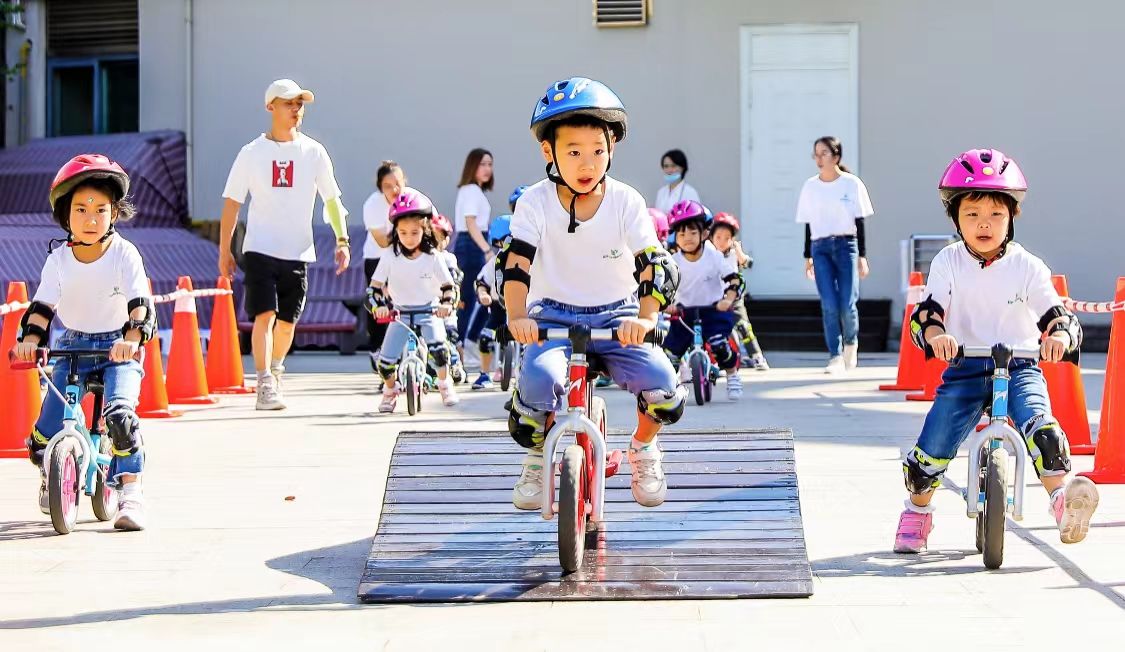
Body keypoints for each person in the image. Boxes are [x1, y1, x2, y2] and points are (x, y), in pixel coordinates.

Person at [893, 148, 1098, 554]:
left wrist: (1058, 336)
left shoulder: (1028, 266)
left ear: (1013, 217)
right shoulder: (948, 261)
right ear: (956, 219)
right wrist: (936, 336)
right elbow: (929, 312)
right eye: (972, 215)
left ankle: (1064, 503)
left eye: (995, 215)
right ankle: (917, 512)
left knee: (1045, 431)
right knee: (929, 452)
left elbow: (1055, 311)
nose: (984, 224)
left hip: (1020, 366)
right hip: (966, 366)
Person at [503, 76, 685, 510]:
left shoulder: (626, 201)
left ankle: (643, 448)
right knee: (537, 386)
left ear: (612, 149)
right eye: (573, 152)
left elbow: (653, 264)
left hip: (618, 316)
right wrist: (517, 315)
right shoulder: (534, 201)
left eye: (598, 151)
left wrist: (645, 319)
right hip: (552, 317)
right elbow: (515, 263)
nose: (587, 162)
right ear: (548, 153)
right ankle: (536, 453)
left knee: (664, 390)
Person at [11, 154, 157, 531]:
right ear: (65, 215)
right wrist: (30, 339)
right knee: (43, 433)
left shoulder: (125, 253)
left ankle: (130, 493)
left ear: (114, 214)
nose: (91, 219)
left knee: (121, 416)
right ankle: (53, 471)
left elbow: (140, 304)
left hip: (117, 348)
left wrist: (131, 337)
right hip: (73, 345)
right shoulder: (59, 259)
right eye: (81, 209)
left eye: (100, 209)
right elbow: (43, 306)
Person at [218, 79, 351, 410]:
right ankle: (263, 382)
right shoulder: (251, 154)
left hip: (298, 251)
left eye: (299, 104)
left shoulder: (314, 152)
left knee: (288, 323)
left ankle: (276, 369)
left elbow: (331, 199)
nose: (295, 109)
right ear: (270, 107)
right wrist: (225, 250)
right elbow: (232, 203)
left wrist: (342, 238)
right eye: (288, 103)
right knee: (265, 315)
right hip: (260, 248)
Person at [366, 191, 459, 411]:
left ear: (425, 229)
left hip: (429, 311)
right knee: (386, 363)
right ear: (395, 232)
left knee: (439, 351)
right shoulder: (390, 256)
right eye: (403, 232)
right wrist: (378, 307)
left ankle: (445, 384)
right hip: (400, 314)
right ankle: (390, 391)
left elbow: (449, 287)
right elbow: (374, 288)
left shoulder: (433, 256)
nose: (409, 238)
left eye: (415, 232)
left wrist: (446, 305)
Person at [795, 136, 873, 374]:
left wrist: (862, 255)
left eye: (824, 153)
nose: (819, 159)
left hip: (846, 245)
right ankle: (835, 355)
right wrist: (807, 255)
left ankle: (851, 343)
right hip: (820, 248)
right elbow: (808, 223)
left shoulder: (852, 184)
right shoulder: (810, 186)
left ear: (836, 156)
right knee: (829, 304)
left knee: (847, 304)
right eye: (815, 154)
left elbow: (859, 221)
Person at [661, 201, 744, 400]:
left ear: (704, 234)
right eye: (681, 234)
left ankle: (732, 375)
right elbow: (664, 288)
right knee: (669, 354)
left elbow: (734, 279)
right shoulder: (675, 261)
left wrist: (728, 299)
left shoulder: (713, 256)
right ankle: (667, 388)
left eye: (692, 232)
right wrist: (667, 305)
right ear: (675, 238)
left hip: (713, 310)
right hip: (684, 312)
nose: (687, 238)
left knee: (719, 345)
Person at [361, 160, 413, 373]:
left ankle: (405, 354)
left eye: (398, 183)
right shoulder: (372, 205)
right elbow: (382, 241)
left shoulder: (411, 199)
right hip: (377, 259)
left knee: (405, 303)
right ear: (380, 187)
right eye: (388, 185)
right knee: (379, 304)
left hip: (403, 258)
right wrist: (404, 230)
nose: (394, 189)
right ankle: (377, 348)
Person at [709, 211, 769, 370]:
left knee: (743, 327)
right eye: (718, 237)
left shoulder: (734, 254)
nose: (722, 242)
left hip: (734, 299)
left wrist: (739, 252)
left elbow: (748, 263)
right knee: (717, 331)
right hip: (716, 299)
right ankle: (722, 360)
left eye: (727, 238)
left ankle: (757, 357)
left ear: (732, 240)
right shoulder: (709, 254)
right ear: (711, 238)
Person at [453, 148, 494, 354]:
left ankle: (467, 340)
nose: (487, 169)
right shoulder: (470, 190)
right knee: (472, 296)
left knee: (479, 296)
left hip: (474, 243)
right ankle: (462, 342)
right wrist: (486, 249)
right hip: (472, 245)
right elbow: (470, 223)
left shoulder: (475, 191)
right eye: (482, 164)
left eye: (489, 164)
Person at [472, 214, 512, 390]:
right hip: (499, 309)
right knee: (485, 339)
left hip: (524, 310)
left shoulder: (531, 262)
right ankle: (484, 374)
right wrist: (483, 295)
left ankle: (527, 372)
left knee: (532, 342)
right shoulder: (494, 263)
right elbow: (481, 282)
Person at [429, 212, 466, 384]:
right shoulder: (424, 258)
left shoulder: (448, 258)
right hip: (427, 305)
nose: (437, 243)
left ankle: (455, 364)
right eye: (433, 238)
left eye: (441, 238)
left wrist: (452, 298)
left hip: (445, 305)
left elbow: (455, 278)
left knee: (449, 337)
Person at [653, 149, 701, 214]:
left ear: (682, 168)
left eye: (673, 166)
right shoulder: (661, 192)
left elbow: (695, 217)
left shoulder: (690, 192)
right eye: (666, 166)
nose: (669, 170)